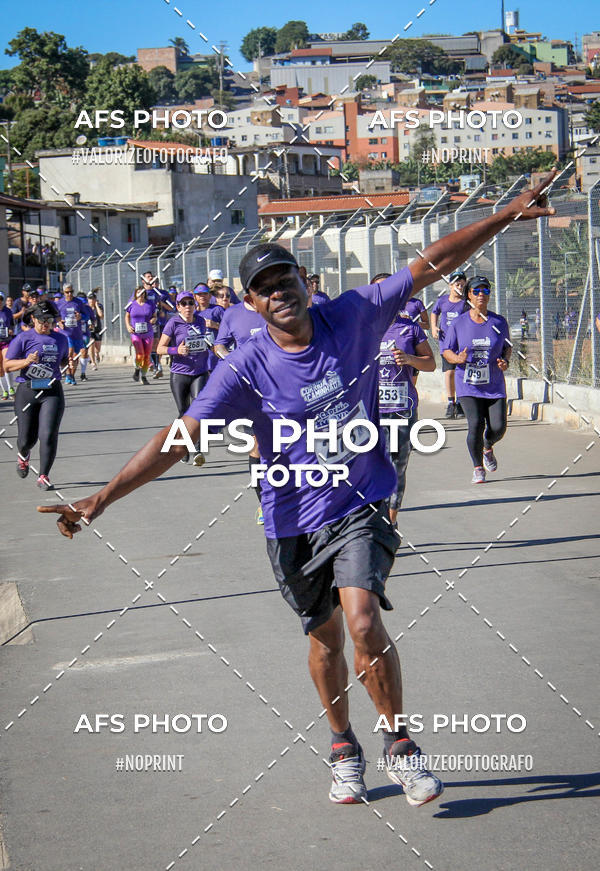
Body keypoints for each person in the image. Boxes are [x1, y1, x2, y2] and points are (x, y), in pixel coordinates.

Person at [39, 172, 556, 807]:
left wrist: (505, 215)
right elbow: (178, 438)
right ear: (251, 305)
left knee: (363, 620)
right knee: (325, 638)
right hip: (290, 517)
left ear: (305, 284)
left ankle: (400, 744)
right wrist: (100, 498)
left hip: (361, 502)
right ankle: (343, 746)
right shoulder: (243, 368)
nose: (277, 292)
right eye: (263, 288)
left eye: (285, 278)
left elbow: (430, 263)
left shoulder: (354, 315)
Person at [374, 276, 436, 525]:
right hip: (369, 410)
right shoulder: (362, 328)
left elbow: (431, 363)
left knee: (397, 464)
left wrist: (410, 359)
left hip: (401, 408)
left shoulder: (410, 327)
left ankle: (390, 521)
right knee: (370, 463)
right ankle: (373, 516)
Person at [441, 276, 511, 484]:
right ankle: (478, 467)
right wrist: (457, 358)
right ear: (469, 295)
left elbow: (507, 347)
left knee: (498, 427)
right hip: (468, 385)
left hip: (494, 384)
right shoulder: (459, 323)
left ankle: (487, 446)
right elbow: (446, 350)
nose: (481, 295)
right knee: (475, 424)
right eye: (477, 291)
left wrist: (505, 362)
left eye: (486, 291)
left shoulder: (498, 322)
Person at [213, 286, 267, 524]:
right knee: (257, 445)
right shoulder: (232, 314)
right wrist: (231, 359)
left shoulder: (273, 308)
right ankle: (264, 503)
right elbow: (219, 345)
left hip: (283, 384)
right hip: (249, 389)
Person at [4, 300, 69, 490]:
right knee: (26, 440)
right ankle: (23, 455)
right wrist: (26, 362)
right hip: (28, 391)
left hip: (52, 391)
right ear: (33, 319)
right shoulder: (24, 338)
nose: (46, 323)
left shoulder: (61, 339)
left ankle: (43, 475)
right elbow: (7, 365)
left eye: (49, 320)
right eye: (42, 320)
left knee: (48, 434)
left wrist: (68, 365)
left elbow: (63, 360)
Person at [157, 290, 211, 466]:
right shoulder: (173, 323)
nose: (188, 307)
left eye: (190, 303)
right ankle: (183, 447)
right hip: (180, 373)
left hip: (200, 372)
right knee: (183, 412)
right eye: (184, 303)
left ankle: (197, 449)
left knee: (198, 411)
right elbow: (159, 348)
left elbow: (204, 341)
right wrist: (176, 350)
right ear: (178, 306)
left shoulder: (201, 321)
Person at [431, 270, 468, 419]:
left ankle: (460, 403)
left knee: (460, 373)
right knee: (449, 372)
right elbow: (435, 312)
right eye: (457, 284)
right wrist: (434, 327)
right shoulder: (443, 301)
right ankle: (450, 402)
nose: (459, 287)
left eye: (462, 285)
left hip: (462, 343)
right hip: (446, 343)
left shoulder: (466, 302)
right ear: (450, 285)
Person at [55, 284, 86, 385]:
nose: (69, 294)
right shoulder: (59, 303)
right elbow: (55, 316)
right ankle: (68, 374)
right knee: (69, 354)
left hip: (77, 334)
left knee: (75, 356)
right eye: (67, 292)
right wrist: (59, 322)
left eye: (71, 292)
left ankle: (71, 375)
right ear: (63, 293)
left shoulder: (78, 302)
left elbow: (87, 315)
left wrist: (80, 316)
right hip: (65, 333)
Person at [125, 287, 156, 384]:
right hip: (136, 333)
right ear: (135, 293)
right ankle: (137, 369)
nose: (141, 294)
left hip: (148, 332)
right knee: (140, 354)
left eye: (143, 292)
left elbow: (155, 315)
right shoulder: (132, 304)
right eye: (139, 292)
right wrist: (128, 326)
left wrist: (154, 319)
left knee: (147, 355)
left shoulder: (150, 304)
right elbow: (127, 316)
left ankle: (143, 376)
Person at [0, 292, 16, 399]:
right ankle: (4, 390)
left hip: (6, 341)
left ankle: (11, 388)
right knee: (0, 368)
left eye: (1, 299)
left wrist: (11, 329)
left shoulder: (7, 311)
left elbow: (12, 324)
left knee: (7, 364)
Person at [88, 291, 104, 369]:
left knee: (98, 349)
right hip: (89, 330)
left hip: (97, 329)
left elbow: (101, 316)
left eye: (93, 299)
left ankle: (96, 354)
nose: (91, 300)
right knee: (91, 343)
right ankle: (93, 363)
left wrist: (97, 306)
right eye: (90, 299)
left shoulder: (99, 306)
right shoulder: (85, 307)